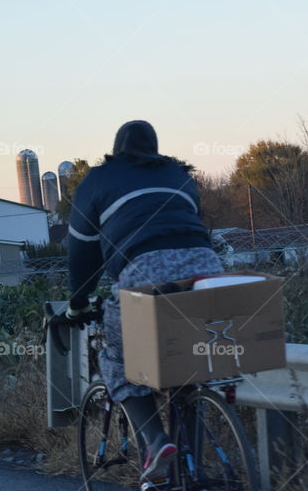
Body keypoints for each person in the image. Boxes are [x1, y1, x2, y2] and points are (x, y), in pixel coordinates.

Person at [64, 120, 223, 484]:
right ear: (156, 146)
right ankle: (190, 464)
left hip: (145, 271)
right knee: (190, 360)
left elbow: (80, 254)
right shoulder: (179, 174)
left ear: (116, 147)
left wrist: (78, 302)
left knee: (117, 357)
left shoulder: (98, 180)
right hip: (206, 268)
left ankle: (156, 442)